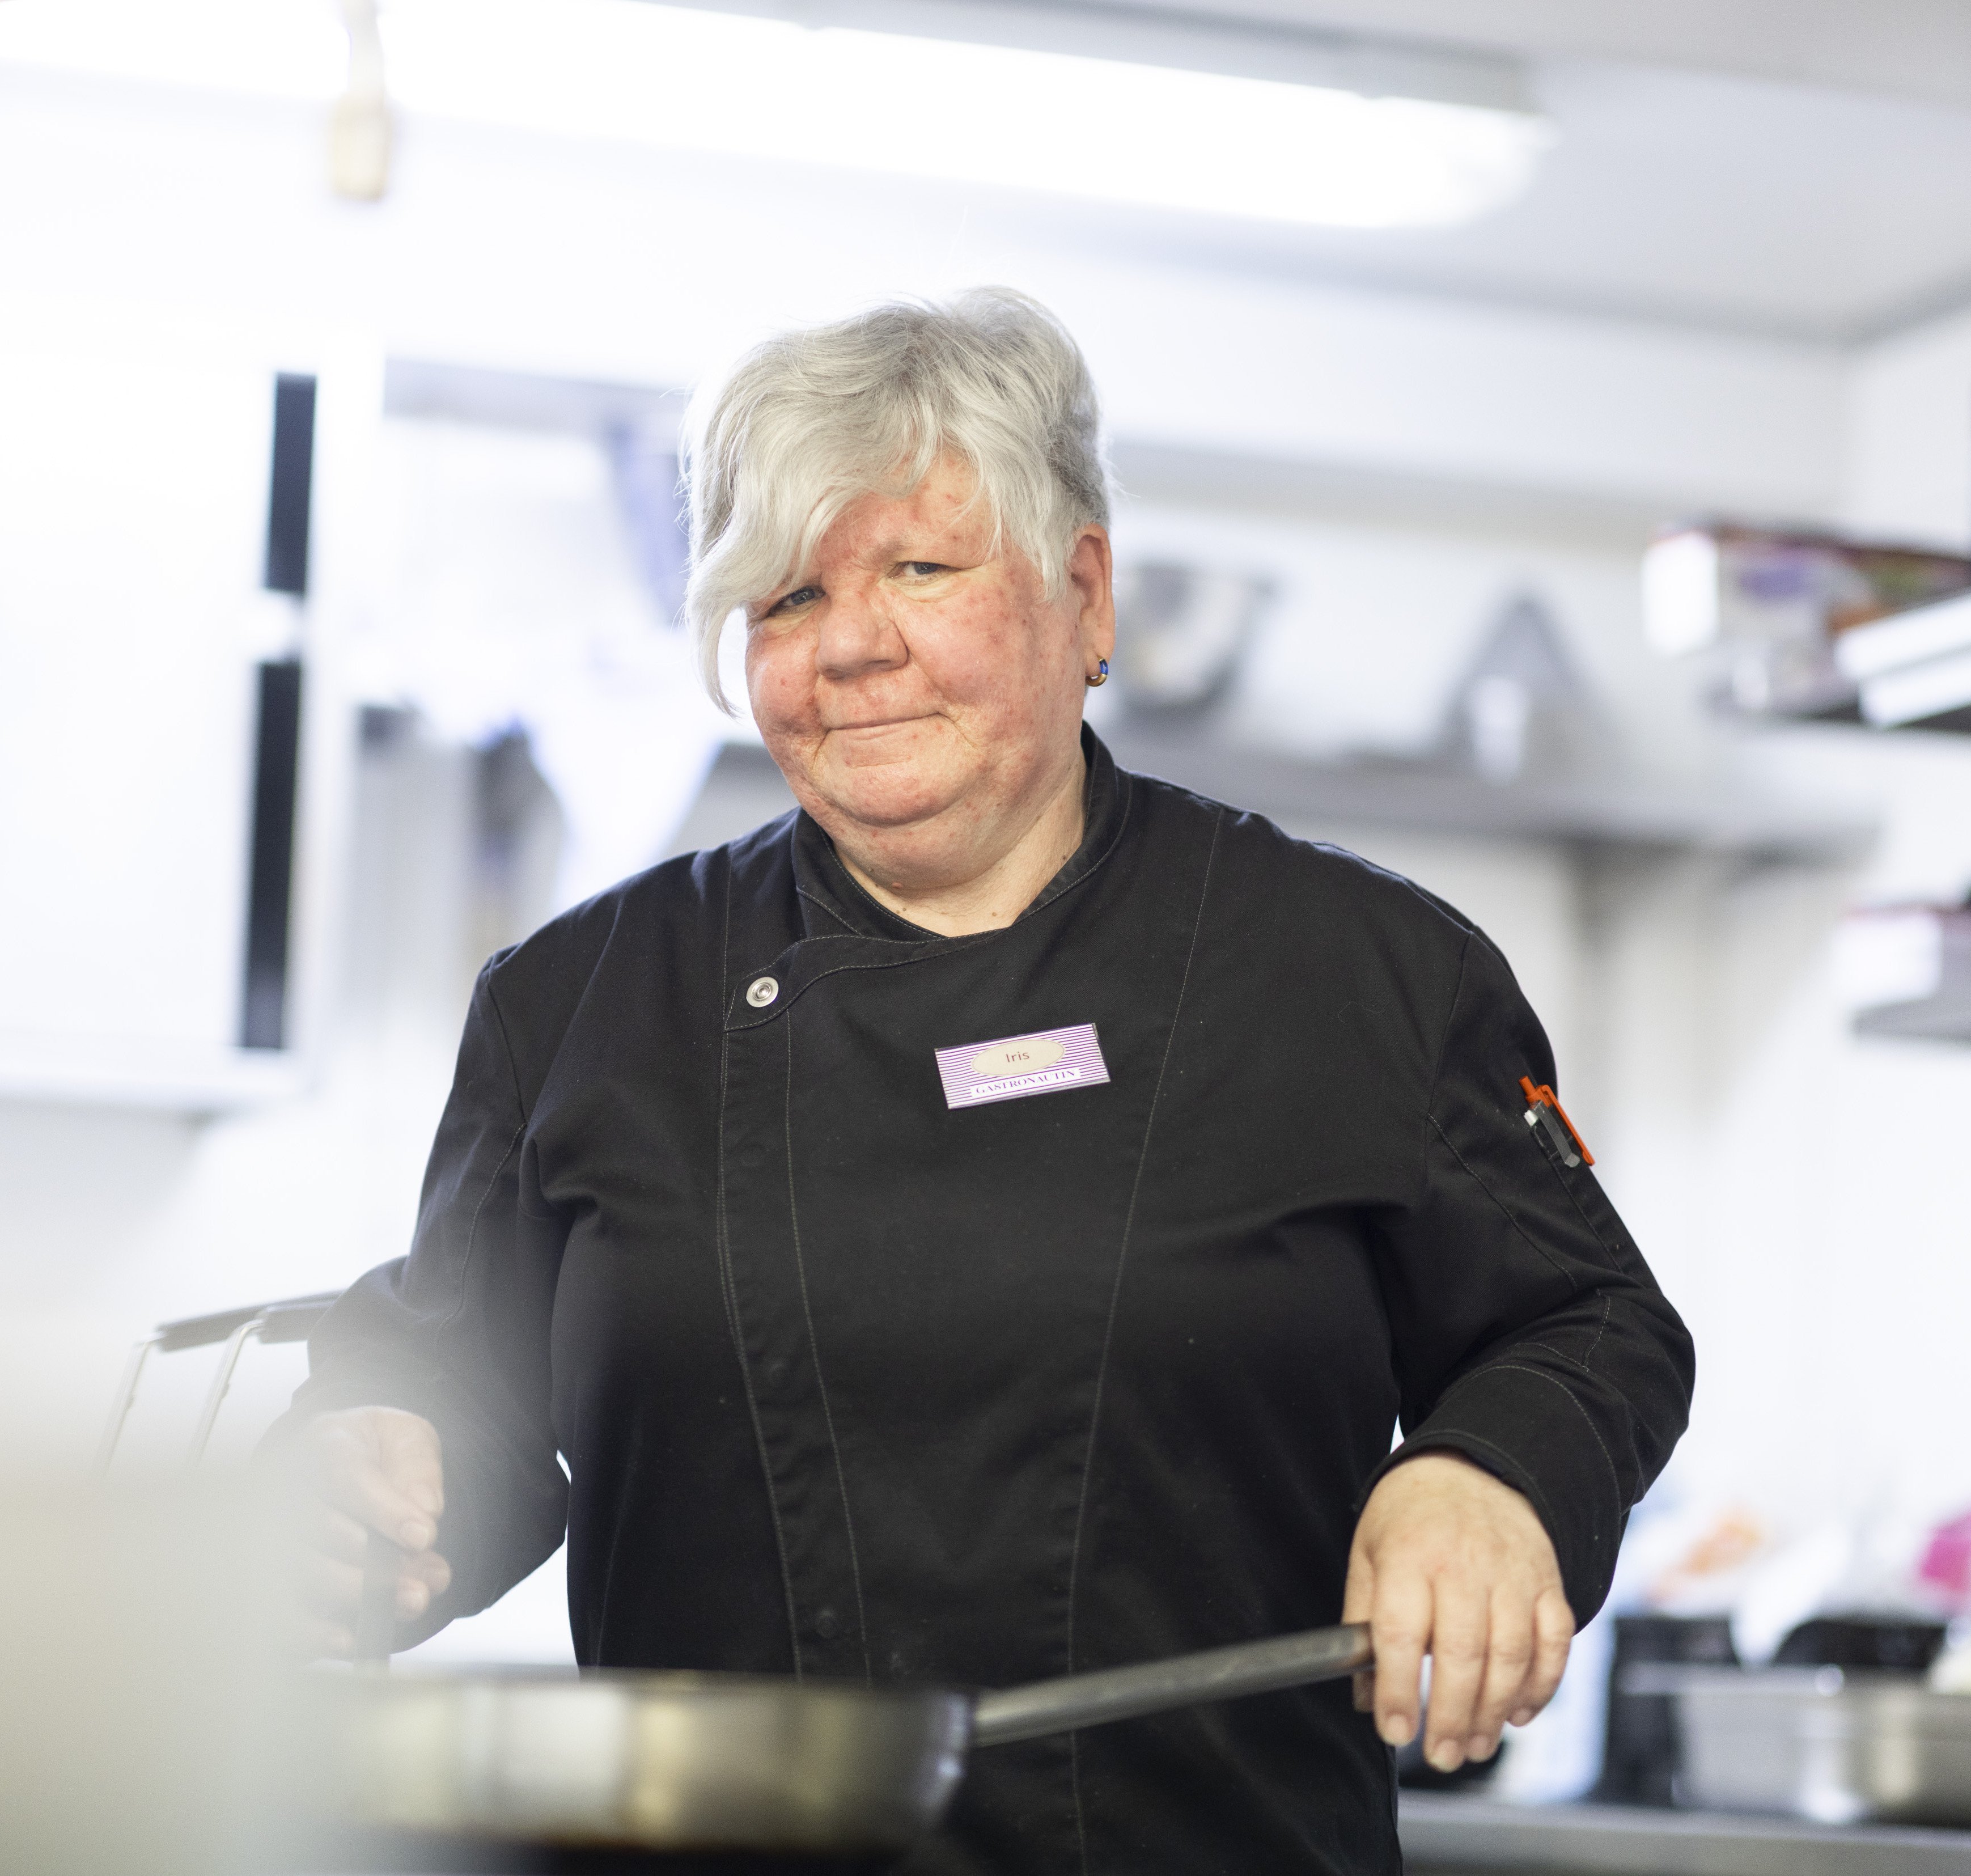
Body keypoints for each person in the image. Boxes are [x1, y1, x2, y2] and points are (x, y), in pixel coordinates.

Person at [283, 288, 1693, 1874]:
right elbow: (456, 1387)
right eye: (789, 597)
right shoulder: (583, 1002)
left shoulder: (1362, 970)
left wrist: (1487, 1474)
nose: (854, 645)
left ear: (1085, 595)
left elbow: (1589, 1324)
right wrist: (383, 1475)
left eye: (921, 569)